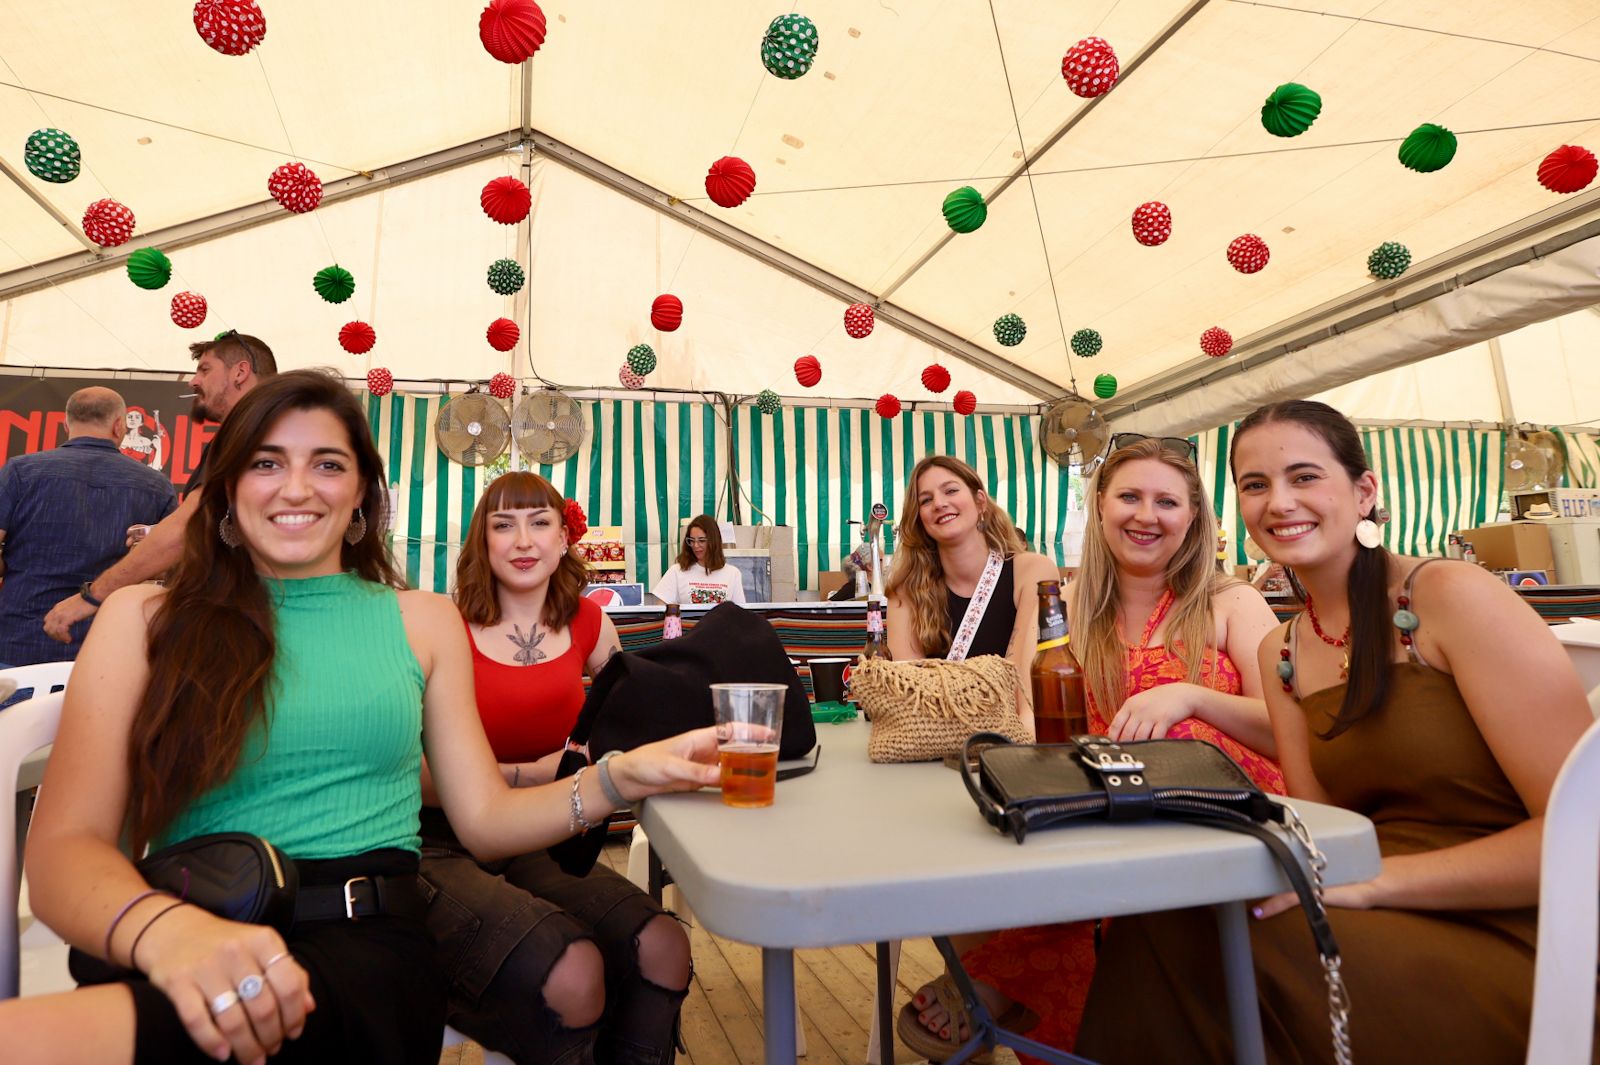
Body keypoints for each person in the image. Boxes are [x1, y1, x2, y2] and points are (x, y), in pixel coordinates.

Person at [0, 370, 721, 1065]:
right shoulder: (144, 618)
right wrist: (169, 932)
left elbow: (485, 818)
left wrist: (618, 777)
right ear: (225, 491)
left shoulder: (421, 621)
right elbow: (64, 848)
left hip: (363, 944)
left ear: (360, 498)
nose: (296, 486)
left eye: (327, 464)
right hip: (184, 922)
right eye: (265, 462)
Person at [1077, 400, 1597, 1062]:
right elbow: (1323, 823)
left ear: (1365, 491)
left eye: (1303, 476)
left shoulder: (1447, 596)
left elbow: (1586, 835)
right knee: (1162, 922)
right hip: (1370, 911)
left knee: (1207, 946)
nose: (1279, 502)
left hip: (1525, 936)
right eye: (1255, 484)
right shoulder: (1284, 651)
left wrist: (1372, 883)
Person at [901, 438, 1284, 1060]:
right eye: (1129, 496)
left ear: (1192, 517)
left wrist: (1193, 697)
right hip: (1103, 814)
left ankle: (999, 983)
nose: (1145, 514)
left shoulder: (1231, 602)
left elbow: (1286, 730)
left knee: (1174, 744)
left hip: (1220, 823)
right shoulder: (1068, 606)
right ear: (1101, 505)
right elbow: (1028, 709)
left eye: (1166, 501)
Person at [420, 471, 690, 1064]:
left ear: (565, 539)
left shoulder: (590, 623)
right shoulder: (443, 623)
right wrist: (537, 774)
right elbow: (409, 769)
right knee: (570, 966)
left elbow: (631, 716)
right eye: (503, 524)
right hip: (437, 843)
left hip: (542, 836)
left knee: (663, 943)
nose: (523, 540)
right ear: (481, 542)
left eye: (540, 522)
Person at [882, 455, 1058, 1058]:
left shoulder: (1031, 569)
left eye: (950, 490)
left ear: (980, 501)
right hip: (929, 764)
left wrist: (946, 692)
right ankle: (987, 991)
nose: (939, 503)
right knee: (932, 853)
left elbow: (1024, 673)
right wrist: (963, 696)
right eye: (925, 498)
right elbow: (907, 687)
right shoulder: (907, 587)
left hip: (1014, 753)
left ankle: (982, 992)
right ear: (918, 519)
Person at [42, 331, 276, 643]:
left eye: (205, 369)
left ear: (240, 372)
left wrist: (90, 597)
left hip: (242, 625)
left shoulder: (244, 431)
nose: (194, 381)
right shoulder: (273, 426)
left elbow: (188, 526)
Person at [0, 387, 177, 666]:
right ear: (119, 426)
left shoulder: (20, 472)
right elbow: (173, 565)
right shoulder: (156, 486)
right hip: (109, 651)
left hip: (19, 645)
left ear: (65, 423)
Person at [652, 515, 745, 606]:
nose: (695, 545)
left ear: (714, 541)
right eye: (692, 540)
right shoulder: (676, 571)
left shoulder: (733, 573)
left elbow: (740, 613)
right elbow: (661, 608)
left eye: (701, 540)